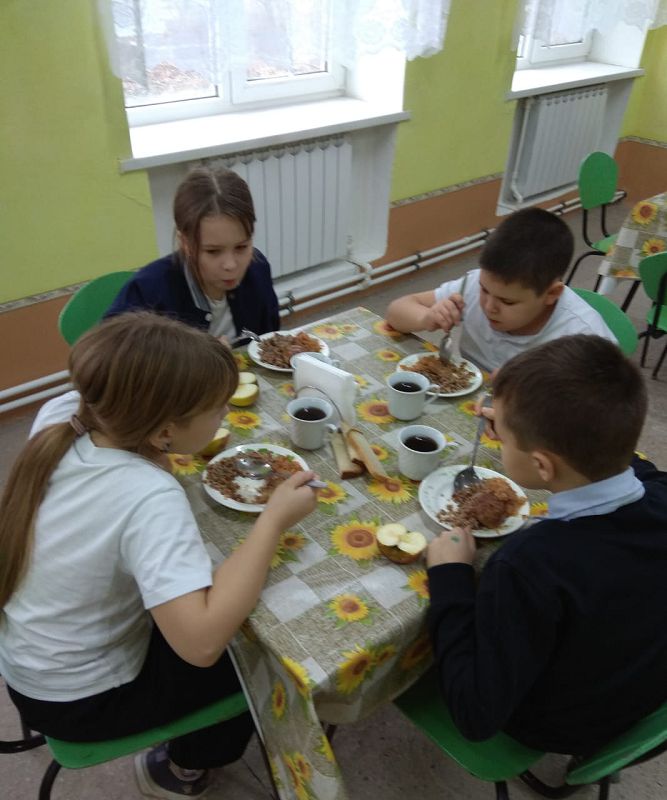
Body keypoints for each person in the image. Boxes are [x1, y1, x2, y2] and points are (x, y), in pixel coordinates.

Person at [0, 313, 318, 799]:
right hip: (80, 699)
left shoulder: (65, 411)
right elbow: (200, 643)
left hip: (30, 663)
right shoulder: (149, 496)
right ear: (164, 431)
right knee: (261, 660)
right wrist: (272, 522)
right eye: (217, 410)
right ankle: (180, 768)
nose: (225, 417)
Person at [426, 334, 667, 755]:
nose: (497, 438)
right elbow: (640, 469)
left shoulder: (527, 565)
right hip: (642, 692)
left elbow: (475, 715)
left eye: (503, 438)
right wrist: (519, 424)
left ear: (541, 464)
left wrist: (451, 576)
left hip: (558, 723)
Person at [385, 208, 615, 372]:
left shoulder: (584, 340)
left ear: (551, 294)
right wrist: (426, 318)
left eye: (508, 302)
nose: (489, 307)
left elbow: (607, 418)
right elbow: (396, 311)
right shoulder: (472, 286)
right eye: (484, 290)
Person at [105, 166, 280, 340]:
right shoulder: (148, 291)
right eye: (213, 251)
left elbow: (268, 340)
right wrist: (200, 356)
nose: (230, 265)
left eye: (241, 247)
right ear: (185, 243)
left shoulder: (258, 269)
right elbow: (105, 352)